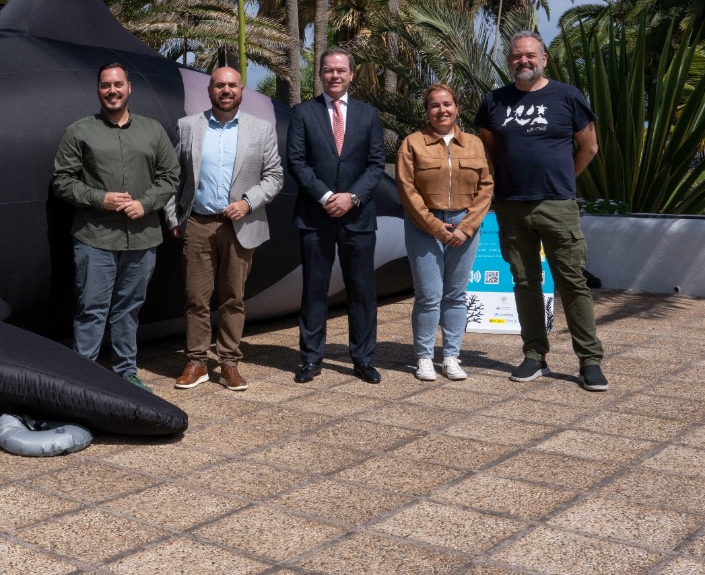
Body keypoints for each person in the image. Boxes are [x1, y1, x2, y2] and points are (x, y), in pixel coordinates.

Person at [474, 30, 607, 391]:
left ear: (544, 58)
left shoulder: (567, 96)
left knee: (572, 281)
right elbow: (490, 151)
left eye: (531, 55)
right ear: (509, 61)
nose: (524, 61)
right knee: (524, 282)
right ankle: (535, 355)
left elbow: (589, 147)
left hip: (557, 205)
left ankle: (589, 360)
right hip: (511, 206)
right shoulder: (493, 101)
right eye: (517, 56)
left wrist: (562, 181)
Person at [52, 62, 179, 391]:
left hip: (142, 239)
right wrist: (100, 199)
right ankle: (84, 376)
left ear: (129, 87)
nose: (112, 90)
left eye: (118, 84)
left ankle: (125, 373)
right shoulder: (79, 131)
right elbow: (62, 182)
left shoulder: (152, 131)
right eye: (106, 85)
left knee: (128, 311)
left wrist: (145, 203)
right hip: (95, 239)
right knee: (91, 309)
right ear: (98, 89)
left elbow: (170, 178)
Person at [164, 67, 284, 392]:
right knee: (195, 298)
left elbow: (274, 176)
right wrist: (173, 218)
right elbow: (173, 177)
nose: (226, 90)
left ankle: (229, 363)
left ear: (242, 90)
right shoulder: (189, 126)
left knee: (233, 298)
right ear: (210, 90)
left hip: (241, 225)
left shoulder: (261, 129)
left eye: (232, 85)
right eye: (220, 85)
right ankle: (197, 362)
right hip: (199, 223)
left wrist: (247, 202)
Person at [286, 48, 386, 384]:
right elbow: (297, 162)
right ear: (320, 74)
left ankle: (363, 359)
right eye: (328, 70)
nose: (334, 76)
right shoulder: (303, 113)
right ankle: (311, 359)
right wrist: (327, 196)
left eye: (341, 70)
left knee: (361, 291)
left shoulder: (368, 114)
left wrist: (352, 197)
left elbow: (375, 164)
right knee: (314, 290)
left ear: (351, 74)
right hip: (316, 216)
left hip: (358, 217)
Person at [396, 84, 493, 382]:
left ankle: (451, 356)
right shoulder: (412, 143)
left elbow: (486, 186)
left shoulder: (475, 144)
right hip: (424, 225)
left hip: (465, 225)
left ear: (457, 108)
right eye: (435, 105)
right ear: (427, 111)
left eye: (447, 104)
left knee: (455, 295)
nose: (442, 110)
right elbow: (406, 189)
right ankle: (424, 357)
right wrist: (435, 227)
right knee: (428, 295)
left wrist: (466, 227)